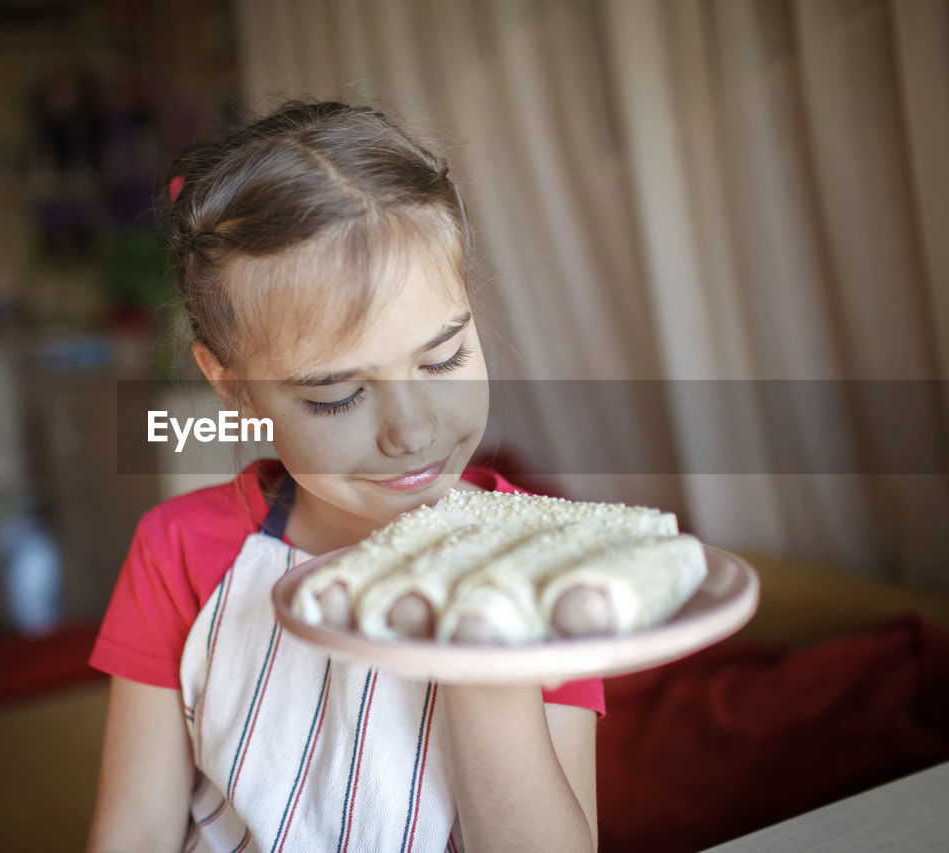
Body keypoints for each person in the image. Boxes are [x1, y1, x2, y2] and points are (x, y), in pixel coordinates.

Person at [87, 100, 602, 852]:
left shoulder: (548, 560)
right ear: (233, 389)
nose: (414, 430)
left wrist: (490, 668)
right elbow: (133, 832)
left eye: (444, 358)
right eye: (337, 394)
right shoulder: (177, 550)